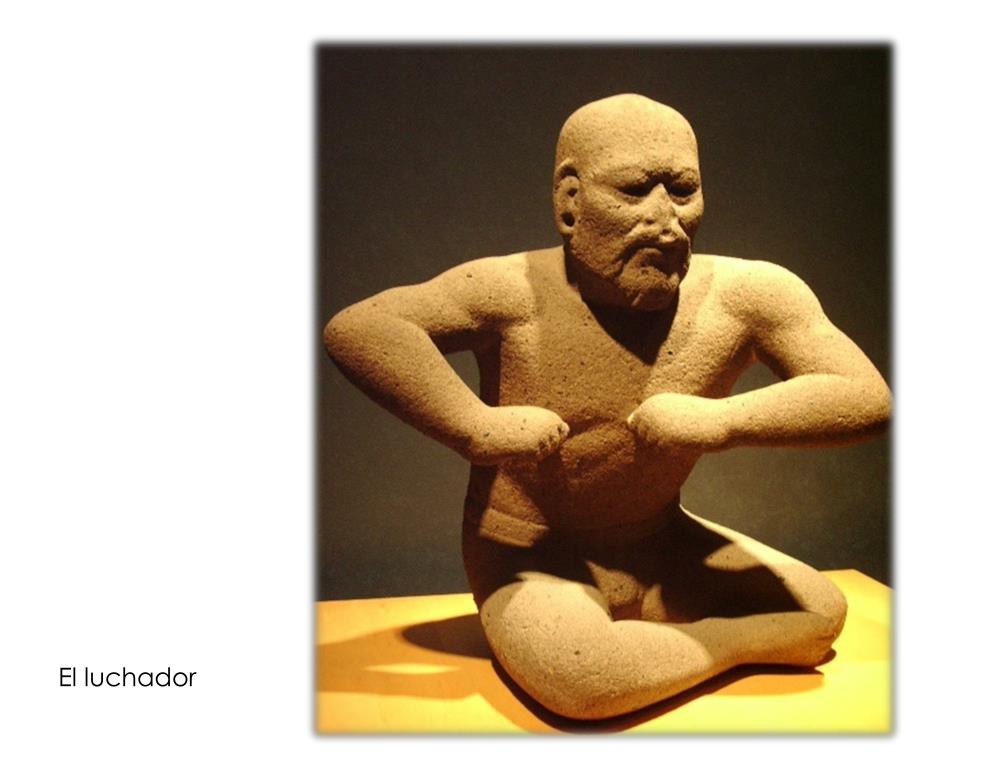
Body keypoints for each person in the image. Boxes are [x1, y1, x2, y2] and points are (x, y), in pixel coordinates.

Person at [323, 93, 891, 720]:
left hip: (665, 542)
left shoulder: (747, 296)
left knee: (821, 611)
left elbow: (863, 394)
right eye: (634, 190)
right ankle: (729, 646)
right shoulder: (510, 291)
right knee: (582, 677)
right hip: (533, 553)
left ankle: (661, 650)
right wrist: (473, 427)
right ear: (570, 202)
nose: (666, 221)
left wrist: (722, 420)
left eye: (683, 191)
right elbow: (364, 329)